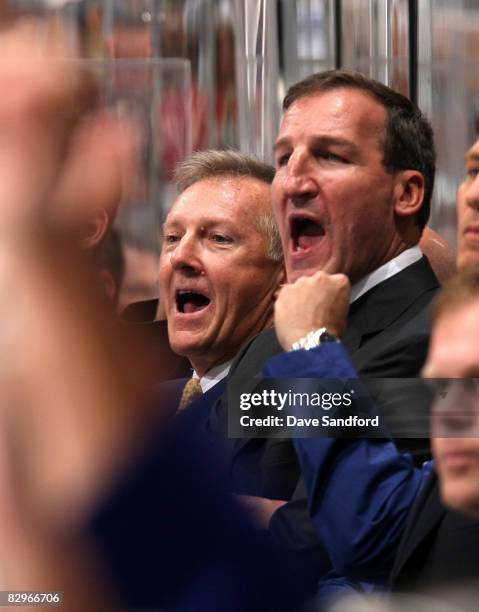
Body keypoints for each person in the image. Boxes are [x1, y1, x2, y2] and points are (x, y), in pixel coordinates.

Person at [213, 70, 439, 594]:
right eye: (283, 158)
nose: (294, 181)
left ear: (406, 192)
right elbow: (183, 488)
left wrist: (315, 344)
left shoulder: (447, 339)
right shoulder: (269, 340)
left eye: (332, 156)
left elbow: (370, 533)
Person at [157, 149, 285, 408]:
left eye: (219, 238)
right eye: (173, 238)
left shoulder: (300, 402)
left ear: (285, 277)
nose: (180, 256)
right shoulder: (138, 408)